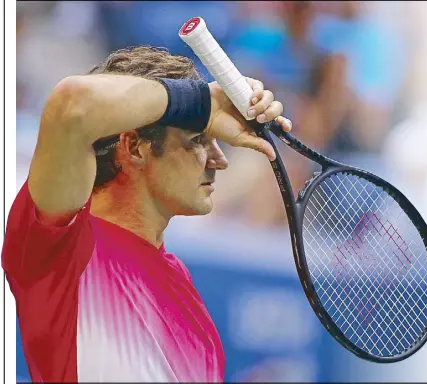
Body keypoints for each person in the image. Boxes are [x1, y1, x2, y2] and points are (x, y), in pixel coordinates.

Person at [2, 46, 292, 382]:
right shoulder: (62, 249)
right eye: (198, 138)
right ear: (136, 147)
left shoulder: (183, 287)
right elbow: (72, 105)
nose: (219, 159)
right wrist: (203, 102)